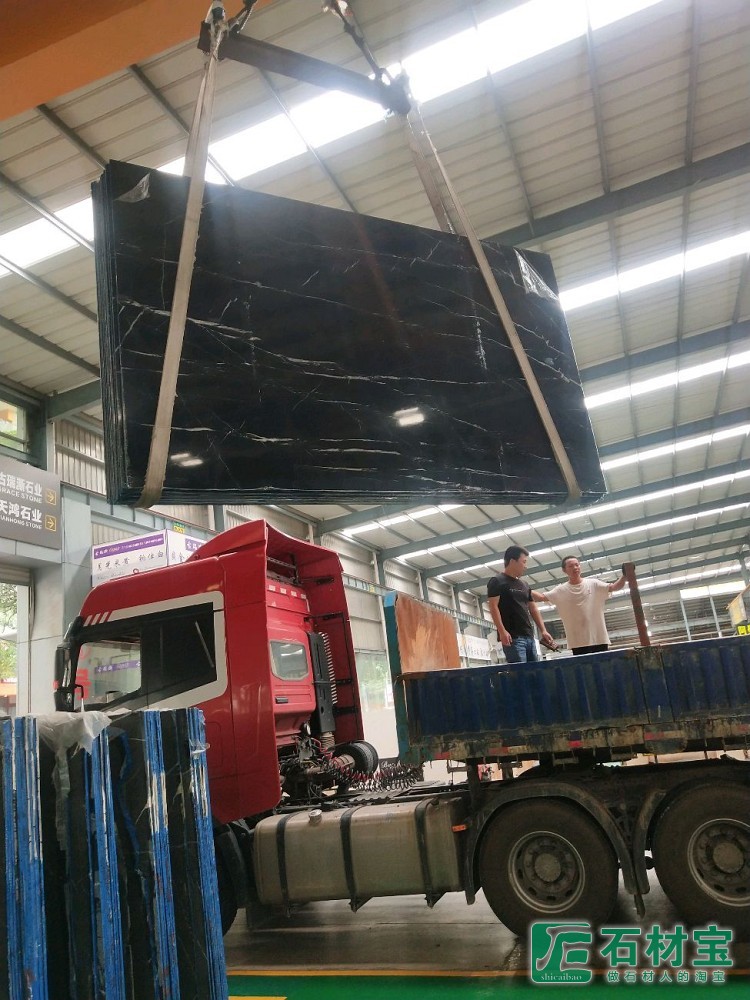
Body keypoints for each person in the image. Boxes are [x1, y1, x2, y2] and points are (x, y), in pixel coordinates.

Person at [533, 556, 627, 655]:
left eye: (577, 565)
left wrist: (624, 575)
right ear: (564, 570)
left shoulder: (594, 584)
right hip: (578, 642)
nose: (575, 568)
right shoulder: (560, 590)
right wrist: (525, 587)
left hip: (599, 639)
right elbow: (541, 597)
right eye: (571, 566)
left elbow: (614, 587)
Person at [487, 545, 554, 663]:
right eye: (524, 562)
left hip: (529, 637)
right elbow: (493, 607)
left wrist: (543, 630)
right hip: (513, 638)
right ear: (513, 561)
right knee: (519, 672)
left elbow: (533, 608)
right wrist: (502, 631)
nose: (525, 566)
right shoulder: (497, 581)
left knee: (535, 671)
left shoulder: (524, 584)